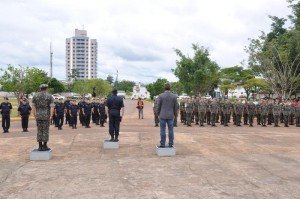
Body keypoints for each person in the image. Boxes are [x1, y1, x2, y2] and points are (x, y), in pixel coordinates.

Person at [31, 84, 54, 151]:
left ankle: (40, 146)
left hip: (38, 115)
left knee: (39, 130)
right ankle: (45, 146)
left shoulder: (35, 96)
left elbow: (33, 106)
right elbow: (52, 107)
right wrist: (51, 116)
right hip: (46, 115)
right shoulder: (49, 96)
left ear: (40, 88)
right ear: (46, 88)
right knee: (45, 130)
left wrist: (34, 115)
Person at [157, 82, 177, 148]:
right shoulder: (174, 96)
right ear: (170, 88)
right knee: (171, 130)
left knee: (162, 130)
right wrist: (175, 114)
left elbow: (158, 106)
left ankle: (162, 143)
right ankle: (171, 143)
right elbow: (175, 107)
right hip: (171, 115)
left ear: (164, 87)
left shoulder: (160, 96)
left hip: (162, 115)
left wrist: (158, 113)